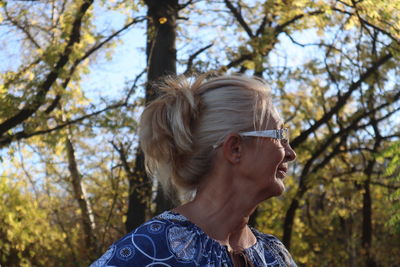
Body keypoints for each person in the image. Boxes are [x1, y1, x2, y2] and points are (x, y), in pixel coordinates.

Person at [90, 74, 297, 267]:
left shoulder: (274, 255)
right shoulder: (149, 250)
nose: (290, 153)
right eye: (279, 136)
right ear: (235, 148)